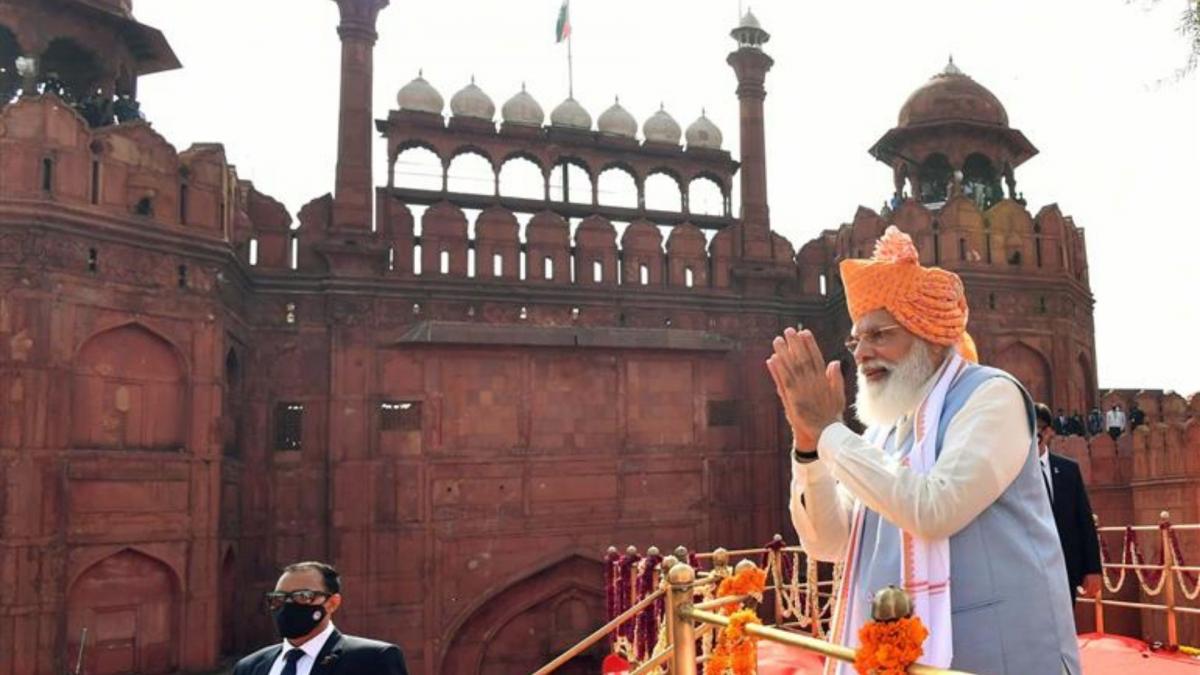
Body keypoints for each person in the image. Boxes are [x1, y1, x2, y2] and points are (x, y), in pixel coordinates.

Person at [767, 226, 1079, 674]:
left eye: (879, 335)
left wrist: (830, 430)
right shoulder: (882, 433)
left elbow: (935, 508)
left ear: (927, 334)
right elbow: (829, 542)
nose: (862, 353)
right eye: (857, 340)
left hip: (998, 655)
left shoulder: (991, 396)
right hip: (899, 656)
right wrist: (809, 445)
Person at [234, 561, 409, 675]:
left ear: (332, 603)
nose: (288, 605)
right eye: (279, 598)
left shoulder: (372, 659)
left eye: (303, 596)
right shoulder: (249, 667)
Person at [1034, 403, 1103, 601]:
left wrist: (1092, 569)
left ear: (1049, 432)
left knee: (1065, 627)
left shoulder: (1068, 470)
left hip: (1065, 568)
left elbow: (1084, 520)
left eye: (1038, 428)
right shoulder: (1013, 473)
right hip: (1027, 572)